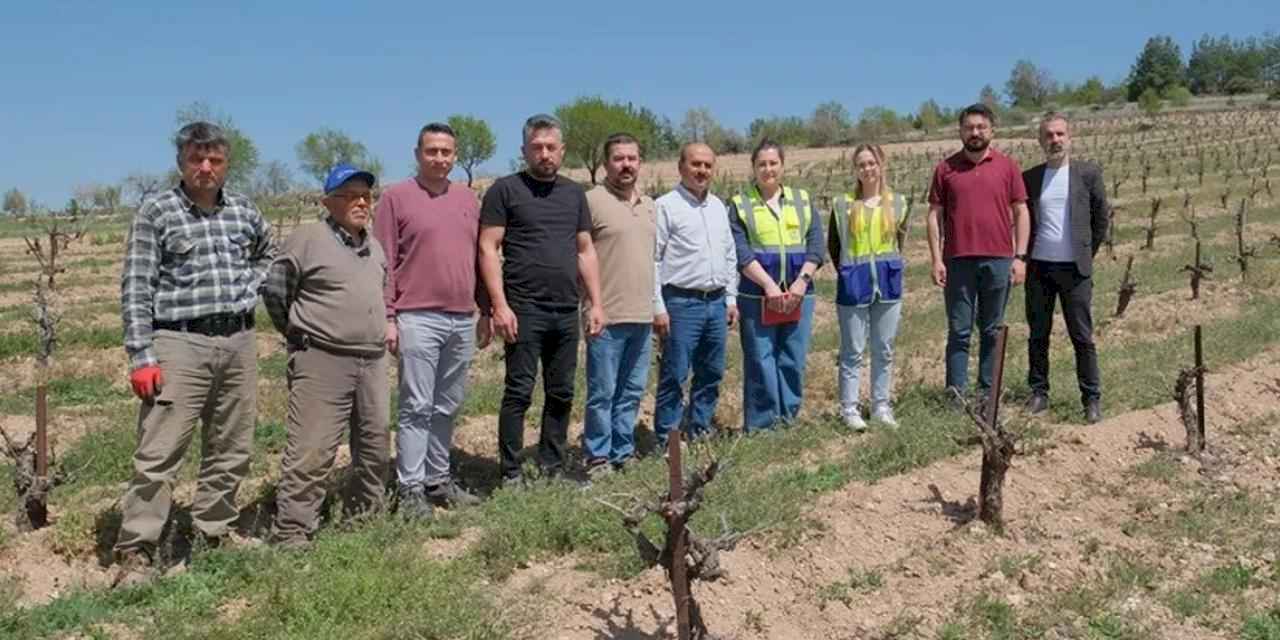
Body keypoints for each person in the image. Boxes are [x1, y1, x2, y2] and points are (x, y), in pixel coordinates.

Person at [114, 121, 274, 582]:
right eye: (196, 159)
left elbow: (269, 253)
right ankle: (137, 549)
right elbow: (136, 287)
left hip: (238, 341)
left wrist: (251, 284)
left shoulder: (243, 210)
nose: (205, 167)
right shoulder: (157, 211)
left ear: (226, 164)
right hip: (179, 343)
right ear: (181, 163)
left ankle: (214, 531)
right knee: (160, 450)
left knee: (232, 445)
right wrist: (141, 356)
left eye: (215, 160)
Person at [261, 164, 389, 547]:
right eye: (350, 195)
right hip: (322, 358)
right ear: (327, 201)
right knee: (312, 450)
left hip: (373, 360)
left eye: (366, 195)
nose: (361, 202)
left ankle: (364, 520)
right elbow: (275, 291)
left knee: (375, 447)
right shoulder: (308, 237)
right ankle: (293, 531)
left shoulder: (374, 244)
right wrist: (301, 333)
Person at [478, 114, 605, 486]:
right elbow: (488, 248)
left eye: (551, 147)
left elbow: (586, 251)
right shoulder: (505, 190)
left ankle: (552, 467)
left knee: (562, 391)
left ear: (562, 151)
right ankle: (511, 473)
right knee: (519, 391)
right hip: (523, 309)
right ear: (524, 151)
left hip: (565, 309)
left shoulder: (573, 194)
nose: (545, 154)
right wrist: (498, 306)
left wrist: (595, 303)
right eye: (537, 148)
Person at [373, 123, 484, 519]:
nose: (439, 158)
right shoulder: (395, 198)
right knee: (416, 405)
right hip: (417, 316)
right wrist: (388, 317)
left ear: (455, 156)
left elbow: (480, 259)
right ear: (417, 154)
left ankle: (438, 479)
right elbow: (383, 261)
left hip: (460, 317)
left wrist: (483, 310)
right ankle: (410, 487)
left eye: (446, 152)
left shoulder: (468, 199)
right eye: (432, 151)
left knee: (448, 404)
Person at [926, 104, 1030, 406]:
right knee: (959, 330)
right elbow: (934, 215)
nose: (975, 133)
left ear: (992, 131)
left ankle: (988, 393)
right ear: (960, 131)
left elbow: (1021, 211)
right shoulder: (945, 169)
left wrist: (1020, 257)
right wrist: (936, 258)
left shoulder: (1008, 167)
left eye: (981, 127)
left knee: (992, 329)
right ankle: (955, 395)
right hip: (958, 261)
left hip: (999, 260)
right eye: (969, 128)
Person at [729, 139, 825, 432]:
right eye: (762, 164)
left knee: (792, 358)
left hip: (799, 294)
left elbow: (816, 245)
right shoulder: (739, 204)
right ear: (753, 168)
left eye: (773, 163)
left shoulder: (803, 200)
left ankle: (788, 419)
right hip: (757, 295)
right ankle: (762, 425)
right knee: (761, 358)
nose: (768, 169)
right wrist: (770, 286)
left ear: (783, 166)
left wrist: (800, 283)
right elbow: (741, 251)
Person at [1022, 112, 1108, 424]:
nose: (1055, 140)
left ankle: (1091, 397)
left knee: (1082, 336)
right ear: (1040, 141)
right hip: (1039, 269)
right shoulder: (1029, 178)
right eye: (1049, 135)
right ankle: (1039, 393)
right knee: (1038, 334)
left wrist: (1085, 253)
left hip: (1075, 271)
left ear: (1069, 137)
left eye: (1060, 134)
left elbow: (1101, 220)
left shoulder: (1087, 174)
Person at [653, 143, 739, 449]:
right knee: (675, 374)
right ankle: (668, 438)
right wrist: (658, 306)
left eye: (707, 165)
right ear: (681, 167)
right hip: (680, 302)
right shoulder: (665, 206)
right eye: (695, 164)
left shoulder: (718, 206)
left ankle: (699, 427)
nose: (702, 171)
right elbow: (654, 259)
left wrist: (730, 298)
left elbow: (729, 254)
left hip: (715, 302)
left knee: (711, 372)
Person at [582, 133, 656, 476]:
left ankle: (622, 451)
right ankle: (597, 456)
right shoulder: (591, 202)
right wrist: (591, 304)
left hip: (642, 313)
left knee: (631, 391)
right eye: (619, 158)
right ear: (605, 164)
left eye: (632, 158)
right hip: (606, 316)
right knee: (602, 392)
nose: (626, 164)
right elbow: (580, 255)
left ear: (640, 162)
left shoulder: (650, 205)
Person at [828, 144, 906, 431]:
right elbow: (834, 246)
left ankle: (881, 405)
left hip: (888, 284)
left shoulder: (898, 203)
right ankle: (849, 409)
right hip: (853, 284)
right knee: (852, 350)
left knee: (883, 349)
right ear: (855, 169)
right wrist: (849, 273)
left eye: (872, 163)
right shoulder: (843, 204)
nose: (867, 169)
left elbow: (900, 243)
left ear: (881, 164)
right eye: (861, 164)